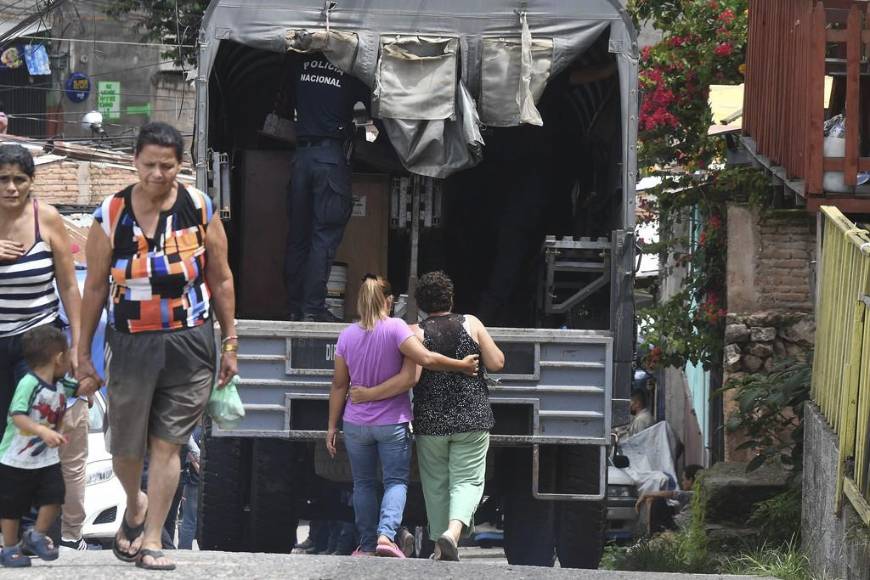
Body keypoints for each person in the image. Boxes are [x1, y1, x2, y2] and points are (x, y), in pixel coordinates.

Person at [76, 122, 238, 571]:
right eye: (149, 165)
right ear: (134, 161)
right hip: (130, 343)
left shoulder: (200, 208)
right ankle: (135, 503)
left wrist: (230, 341)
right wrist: (82, 352)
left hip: (191, 342)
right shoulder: (111, 214)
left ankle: (152, 540)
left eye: (167, 166)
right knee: (126, 449)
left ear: (180, 165)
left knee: (170, 444)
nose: (157, 174)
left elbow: (222, 278)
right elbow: (94, 287)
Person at [351, 271, 504, 562]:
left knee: (436, 486)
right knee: (467, 481)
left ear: (419, 305)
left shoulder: (415, 332)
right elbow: (497, 362)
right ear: (452, 298)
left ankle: (438, 545)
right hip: (472, 418)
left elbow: (411, 376)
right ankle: (453, 534)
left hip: (431, 422)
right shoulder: (472, 323)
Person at [326, 275, 479, 558]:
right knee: (395, 481)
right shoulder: (396, 328)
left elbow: (338, 385)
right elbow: (427, 359)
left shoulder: (346, 335)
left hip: (355, 423)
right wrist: (462, 365)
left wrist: (331, 426)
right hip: (391, 422)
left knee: (362, 484)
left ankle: (367, 544)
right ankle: (386, 536)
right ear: (389, 301)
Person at [0, 143, 82, 434]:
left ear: (31, 181)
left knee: (34, 429)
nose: (11, 188)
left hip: (39, 340)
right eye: (3, 179)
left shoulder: (46, 218)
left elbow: (69, 286)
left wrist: (78, 345)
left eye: (19, 179)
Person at [284, 52, 369, 322]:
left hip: (301, 158)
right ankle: (313, 309)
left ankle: (295, 308)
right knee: (323, 238)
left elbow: (286, 102)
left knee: (298, 237)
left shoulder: (299, 64)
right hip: (330, 159)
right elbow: (371, 111)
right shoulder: (350, 69)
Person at [0, 326, 77, 567]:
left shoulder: (62, 383)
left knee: (55, 495)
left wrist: (93, 381)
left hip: (46, 458)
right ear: (59, 358)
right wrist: (43, 431)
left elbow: (81, 387)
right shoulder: (28, 383)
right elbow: (17, 415)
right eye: (68, 354)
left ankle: (36, 534)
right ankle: (10, 547)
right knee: (11, 506)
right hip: (15, 458)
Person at [635, 464, 704, 533]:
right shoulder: (702, 494)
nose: (682, 483)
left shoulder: (693, 494)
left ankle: (651, 532)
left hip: (678, 526)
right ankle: (650, 530)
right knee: (653, 500)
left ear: (690, 480)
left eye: (683, 480)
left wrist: (645, 494)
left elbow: (671, 494)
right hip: (679, 524)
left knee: (657, 501)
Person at [178, 426, 201, 550]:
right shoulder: (203, 433)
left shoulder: (193, 433)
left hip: (192, 482)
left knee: (189, 519)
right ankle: (185, 547)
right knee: (191, 520)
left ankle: (184, 548)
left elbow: (189, 454)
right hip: (195, 482)